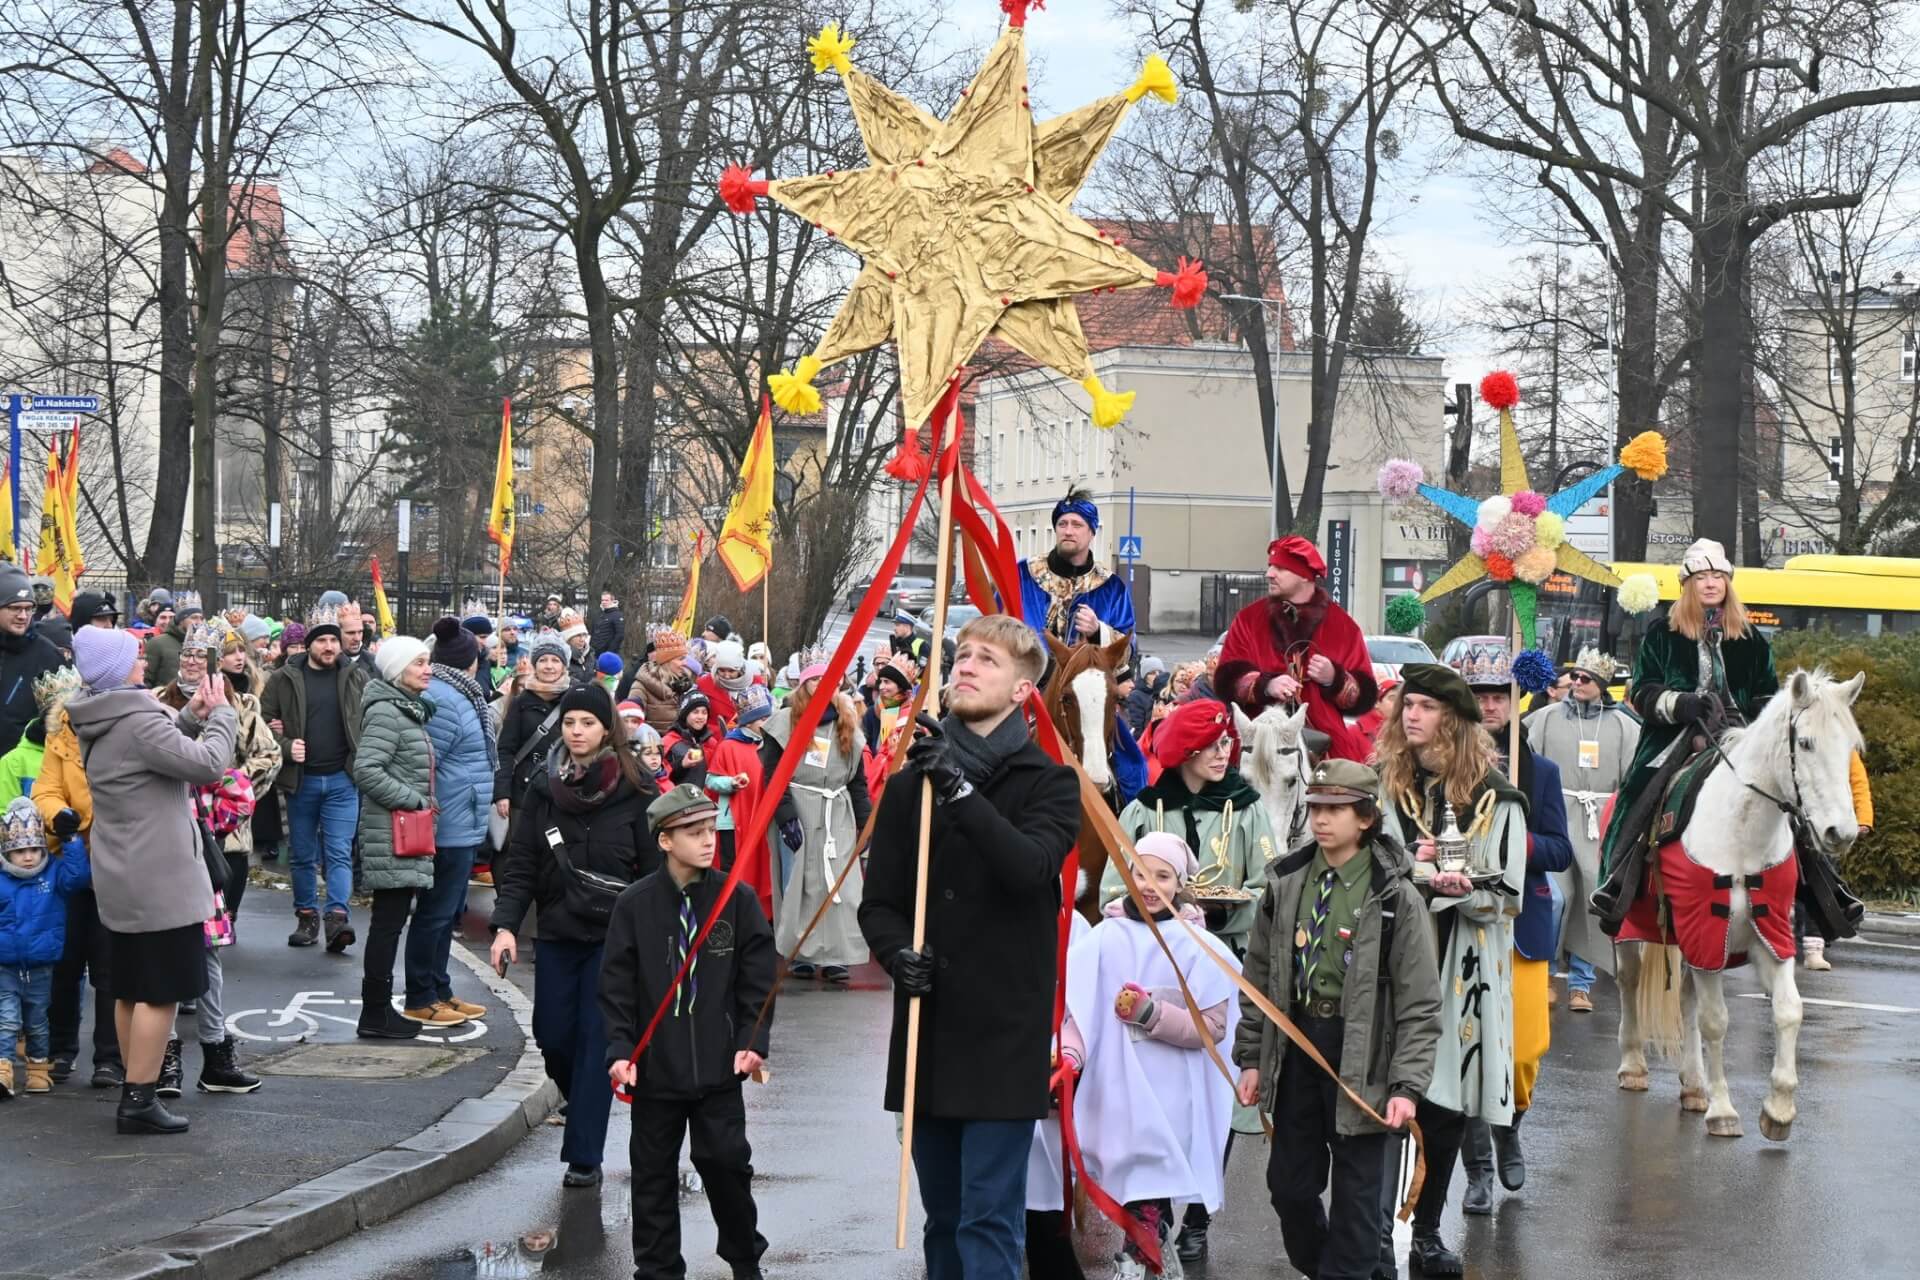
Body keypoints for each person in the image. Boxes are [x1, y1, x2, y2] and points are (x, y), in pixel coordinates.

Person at [858, 615, 1081, 1280]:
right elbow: (880, 903)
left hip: (1002, 1038)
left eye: (987, 659)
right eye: (963, 655)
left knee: (989, 1220)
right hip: (929, 1032)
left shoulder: (1050, 782)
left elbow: (1029, 868)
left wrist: (958, 789)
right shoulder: (909, 786)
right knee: (945, 1220)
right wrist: (896, 954)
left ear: (1022, 690)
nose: (966, 666)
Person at [1234, 759, 1440, 1280]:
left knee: (1357, 1203)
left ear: (1366, 818)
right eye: (1315, 808)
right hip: (1299, 1047)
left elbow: (1419, 1003)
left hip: (1364, 1057)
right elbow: (1258, 979)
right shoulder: (1286, 882)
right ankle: (1330, 1268)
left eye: (1336, 809)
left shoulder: (1396, 896)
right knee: (1289, 1187)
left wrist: (1407, 1086)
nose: (1321, 819)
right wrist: (1252, 1058)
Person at [1371, 662, 1527, 1276]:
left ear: (1454, 722)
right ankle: (1376, 1232)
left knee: (1445, 1106)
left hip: (1461, 964)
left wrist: (1459, 888)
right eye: (1407, 705)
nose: (1412, 715)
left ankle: (1428, 1231)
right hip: (1393, 958)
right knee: (1383, 1097)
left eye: (1427, 707)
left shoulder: (1497, 798)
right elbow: (1370, 868)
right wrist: (1418, 868)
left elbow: (1506, 894)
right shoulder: (1386, 787)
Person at [65, 624, 237, 1135]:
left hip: (123, 873)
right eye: (135, 656)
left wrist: (189, 716)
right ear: (119, 669)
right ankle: (140, 1099)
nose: (144, 661)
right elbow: (208, 765)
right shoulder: (138, 720)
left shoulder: (102, 714)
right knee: (162, 992)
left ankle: (134, 1089)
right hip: (161, 878)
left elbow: (148, 753)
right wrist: (222, 714)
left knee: (130, 989)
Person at [603, 783, 775, 1280]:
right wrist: (620, 1049)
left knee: (726, 1165)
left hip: (719, 1069)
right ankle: (657, 1270)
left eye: (710, 830)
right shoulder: (634, 905)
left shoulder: (737, 899)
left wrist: (751, 1040)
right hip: (655, 1070)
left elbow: (758, 980)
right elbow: (616, 986)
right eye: (693, 832)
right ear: (664, 840)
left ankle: (744, 1260)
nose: (707, 840)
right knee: (652, 1176)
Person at [490, 684, 658, 1188]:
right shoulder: (544, 789)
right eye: (569, 723)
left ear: (607, 729)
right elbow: (521, 864)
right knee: (553, 1034)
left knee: (595, 1041)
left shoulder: (637, 788)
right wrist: (504, 926)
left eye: (587, 722)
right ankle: (581, 1099)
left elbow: (655, 871)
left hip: (615, 939)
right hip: (558, 932)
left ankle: (584, 1155)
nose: (577, 731)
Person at [1067, 831, 1241, 1276]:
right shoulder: (1104, 938)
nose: (1148, 885)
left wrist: (1152, 1013)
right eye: (1140, 873)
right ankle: (1145, 1254)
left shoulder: (1198, 946)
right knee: (1133, 1177)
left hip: (1172, 1092)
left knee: (1152, 1179)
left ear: (1180, 882)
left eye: (1162, 876)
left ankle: (1143, 1254)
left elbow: (1212, 1027)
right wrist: (1069, 1055)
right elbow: (1077, 1008)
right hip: (1118, 1088)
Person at [1595, 539, 1778, 926]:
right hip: (1676, 735)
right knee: (1637, 792)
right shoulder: (1663, 634)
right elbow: (1642, 691)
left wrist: (1759, 722)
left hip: (1740, 735)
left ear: (1728, 583)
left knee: (1789, 795)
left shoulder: (1750, 638)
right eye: (1701, 577)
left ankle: (1823, 890)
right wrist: (1680, 704)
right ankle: (1614, 882)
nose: (1710, 583)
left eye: (1718, 576)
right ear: (1687, 584)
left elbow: (1767, 694)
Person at [1454, 647, 1572, 1214]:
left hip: (1523, 925)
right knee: (1469, 1050)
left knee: (1524, 1052)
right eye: (1480, 696)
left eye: (1500, 695)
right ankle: (1477, 1170)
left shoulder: (1541, 772)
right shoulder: (1449, 769)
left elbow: (1560, 850)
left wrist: (1517, 842)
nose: (1491, 705)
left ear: (1516, 700)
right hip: (1464, 921)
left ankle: (1510, 1127)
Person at [1105, 699, 1275, 954]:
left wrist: (1218, 916)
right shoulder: (1142, 812)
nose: (1223, 754)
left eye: (1225, 742)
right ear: (1186, 752)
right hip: (1156, 954)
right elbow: (1111, 893)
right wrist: (1162, 912)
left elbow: (1269, 891)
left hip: (1226, 955)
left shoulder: (1248, 810)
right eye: (1210, 746)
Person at [1525, 646, 1639, 1012]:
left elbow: (1632, 778)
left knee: (1592, 899)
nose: (1576, 682)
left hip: (1599, 822)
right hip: (1556, 815)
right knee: (1554, 898)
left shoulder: (1624, 726)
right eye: (1574, 676)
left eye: (1585, 678)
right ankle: (1544, 973)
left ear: (1601, 684)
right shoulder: (1545, 718)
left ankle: (1580, 984)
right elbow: (1527, 761)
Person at [349, 636, 445, 1040]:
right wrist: (415, 800)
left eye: (428, 662)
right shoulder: (388, 711)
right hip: (392, 833)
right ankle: (375, 1011)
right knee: (387, 924)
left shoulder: (407, 709)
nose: (428, 670)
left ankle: (378, 1009)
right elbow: (367, 770)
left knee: (390, 923)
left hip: (401, 831)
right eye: (419, 663)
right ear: (396, 670)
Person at [261, 605, 370, 952]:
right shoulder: (284, 679)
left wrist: (358, 762)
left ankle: (337, 918)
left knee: (339, 852)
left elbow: (370, 719)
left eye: (333, 640)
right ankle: (306, 917)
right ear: (309, 644)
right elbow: (261, 723)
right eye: (322, 640)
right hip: (301, 780)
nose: (329, 646)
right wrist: (285, 745)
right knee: (303, 854)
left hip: (342, 779)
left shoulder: (355, 676)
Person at [33, 667, 121, 1088]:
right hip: (69, 863)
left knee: (109, 967)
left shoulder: (121, 731)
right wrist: (58, 815)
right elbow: (45, 791)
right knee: (64, 963)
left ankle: (110, 1058)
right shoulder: (59, 738)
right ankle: (60, 1050)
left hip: (114, 863)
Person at [1216, 536, 1377, 762]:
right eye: (1270, 566)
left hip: (1324, 748)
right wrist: (1265, 685)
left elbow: (1364, 696)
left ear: (1304, 575)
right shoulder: (1248, 620)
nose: (1269, 574)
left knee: (1344, 781)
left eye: (1280, 568)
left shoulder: (1342, 626)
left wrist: (1334, 678)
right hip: (1257, 744)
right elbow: (1226, 680)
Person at [766, 664, 872, 984]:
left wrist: (866, 822)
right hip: (799, 808)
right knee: (802, 884)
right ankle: (801, 953)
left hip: (837, 811)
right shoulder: (785, 721)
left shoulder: (847, 720)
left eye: (829, 680)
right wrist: (786, 816)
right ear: (803, 684)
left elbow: (857, 781)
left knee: (839, 884)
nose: (822, 684)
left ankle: (836, 955)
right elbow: (773, 774)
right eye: (815, 679)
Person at [416, 618, 496, 1026]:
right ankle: (422, 994)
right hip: (448, 820)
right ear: (469, 661)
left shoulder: (460, 693)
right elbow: (430, 761)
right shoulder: (446, 698)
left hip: (462, 818)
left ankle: (440, 989)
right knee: (436, 912)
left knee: (447, 912)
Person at [0, 797, 91, 1098]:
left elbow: (78, 877)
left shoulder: (53, 873)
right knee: (7, 1020)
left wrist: (70, 840)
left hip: (41, 966)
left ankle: (38, 1071)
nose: (28, 857)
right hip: (6, 965)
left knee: (38, 1021)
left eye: (34, 850)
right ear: (7, 852)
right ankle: (3, 1071)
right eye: (19, 851)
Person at [210, 626, 282, 920]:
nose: (239, 657)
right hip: (189, 814)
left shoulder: (247, 699)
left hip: (230, 816)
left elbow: (268, 754)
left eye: (242, 651)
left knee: (227, 909)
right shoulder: (175, 698)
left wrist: (235, 787)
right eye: (230, 653)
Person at [1016, 487, 1136, 646]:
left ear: (1092, 532)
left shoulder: (1111, 587)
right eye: (1062, 524)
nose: (1068, 531)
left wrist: (1098, 632)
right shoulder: (1023, 574)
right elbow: (994, 627)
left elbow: (1129, 647)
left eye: (1077, 525)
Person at [703, 684, 777, 921]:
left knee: (762, 869)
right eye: (762, 718)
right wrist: (731, 783)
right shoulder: (728, 745)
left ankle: (759, 915)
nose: (767, 722)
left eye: (768, 717)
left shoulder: (771, 744)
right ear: (749, 721)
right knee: (733, 871)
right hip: (731, 822)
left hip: (762, 820)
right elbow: (711, 780)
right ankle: (730, 916)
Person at [0, 564, 68, 759]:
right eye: (14, 608)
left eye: (28, 608)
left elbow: (64, 722)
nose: (23, 616)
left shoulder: (48, 655)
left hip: (22, 770)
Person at [626, 629, 693, 732]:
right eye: (680, 659)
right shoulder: (641, 687)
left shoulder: (686, 685)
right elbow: (631, 725)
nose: (685, 663)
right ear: (667, 661)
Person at [142, 590, 203, 690]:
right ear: (181, 620)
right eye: (194, 617)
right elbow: (145, 680)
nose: (199, 622)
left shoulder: (203, 645)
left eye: (201, 618)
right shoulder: (157, 643)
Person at [664, 689, 718, 786]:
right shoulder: (669, 741)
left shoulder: (712, 743)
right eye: (695, 712)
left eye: (704, 712)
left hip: (704, 795)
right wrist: (681, 765)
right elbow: (659, 777)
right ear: (685, 714)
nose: (700, 717)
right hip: (680, 794)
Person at [699, 639, 752, 728]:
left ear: (740, 669)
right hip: (714, 734)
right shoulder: (704, 684)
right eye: (722, 670)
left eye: (731, 671)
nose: (726, 676)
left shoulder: (753, 684)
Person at [1125, 656, 1167, 736]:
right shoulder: (1136, 696)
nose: (1157, 675)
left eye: (1160, 672)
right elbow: (1137, 727)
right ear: (1145, 677)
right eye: (1152, 673)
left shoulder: (1164, 692)